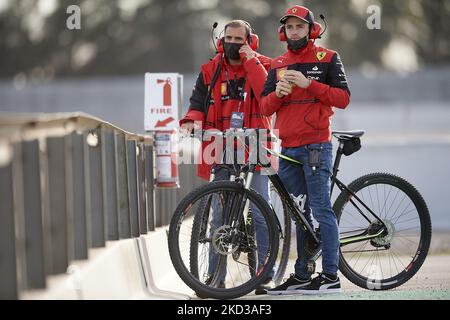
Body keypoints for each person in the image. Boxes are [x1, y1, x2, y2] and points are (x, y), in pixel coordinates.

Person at [260, 5, 351, 295]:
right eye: (289, 27)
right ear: (283, 32)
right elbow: (264, 107)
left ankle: (331, 276)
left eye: (300, 26)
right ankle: (302, 275)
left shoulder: (329, 58)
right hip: (287, 148)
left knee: (321, 209)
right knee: (299, 213)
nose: (294, 31)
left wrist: (309, 84)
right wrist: (277, 95)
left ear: (312, 30)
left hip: (316, 145)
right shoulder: (276, 65)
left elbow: (343, 98)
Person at [179, 20, 273, 294]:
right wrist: (190, 122)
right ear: (221, 40)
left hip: (256, 143)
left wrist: (250, 59)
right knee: (219, 214)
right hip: (221, 145)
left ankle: (263, 274)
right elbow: (197, 103)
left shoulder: (262, 64)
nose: (232, 43)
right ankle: (214, 277)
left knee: (260, 209)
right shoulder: (209, 70)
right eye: (228, 38)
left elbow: (266, 93)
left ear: (250, 41)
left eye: (238, 39)